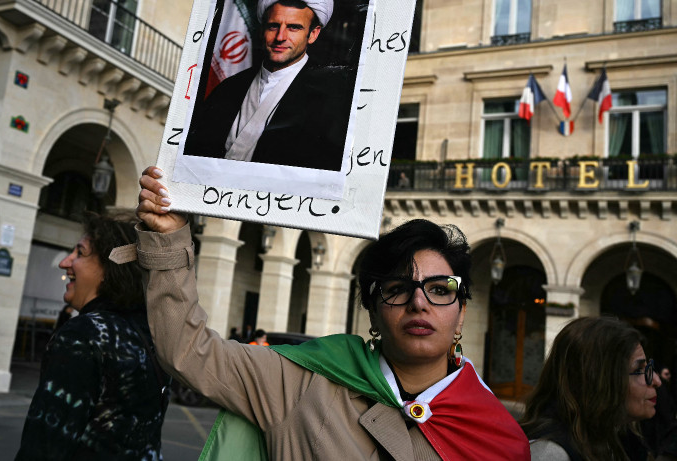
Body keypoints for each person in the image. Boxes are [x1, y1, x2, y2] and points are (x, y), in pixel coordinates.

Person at [131, 166, 530, 459]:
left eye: (440, 289)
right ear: (372, 314)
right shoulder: (300, 382)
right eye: (397, 289)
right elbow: (188, 350)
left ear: (461, 314)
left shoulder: (498, 436)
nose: (418, 302)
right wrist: (167, 240)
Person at [16, 213, 170, 460]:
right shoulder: (152, 335)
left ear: (111, 268)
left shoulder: (84, 335)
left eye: (80, 253)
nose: (65, 262)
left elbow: (45, 443)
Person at [184, 0, 356, 171]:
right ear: (262, 30)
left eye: (294, 28)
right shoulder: (227, 89)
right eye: (274, 26)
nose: (280, 37)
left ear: (313, 34)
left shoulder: (334, 98)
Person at [520, 316, 661, 461]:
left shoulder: (618, 438)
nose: (656, 381)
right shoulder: (551, 454)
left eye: (648, 368)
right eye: (638, 370)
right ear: (598, 381)